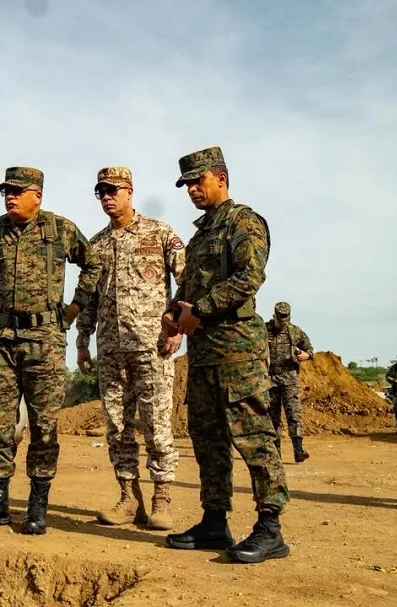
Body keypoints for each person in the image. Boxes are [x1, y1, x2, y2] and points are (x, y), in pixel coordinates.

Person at [159, 146, 289, 564]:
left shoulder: (243, 221)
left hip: (238, 351)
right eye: (186, 185)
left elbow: (250, 277)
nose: (192, 190)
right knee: (207, 438)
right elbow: (188, 288)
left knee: (254, 436)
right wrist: (174, 312)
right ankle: (214, 521)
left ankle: (270, 528)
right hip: (203, 354)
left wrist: (200, 310)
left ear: (221, 178)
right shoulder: (200, 235)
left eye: (198, 181)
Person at [0, 166, 101, 535]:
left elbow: (92, 264)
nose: (10, 197)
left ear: (37, 196)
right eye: (6, 191)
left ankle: (37, 504)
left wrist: (76, 306)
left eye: (17, 191)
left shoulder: (60, 229)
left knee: (44, 427)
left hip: (45, 341)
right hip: (4, 340)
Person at [74, 166, 185, 531]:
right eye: (101, 192)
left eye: (113, 190)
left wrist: (179, 326)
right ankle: (128, 497)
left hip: (153, 346)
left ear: (129, 191)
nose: (107, 197)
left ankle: (161, 498)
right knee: (118, 427)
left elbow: (187, 280)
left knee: (156, 425)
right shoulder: (96, 245)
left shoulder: (159, 233)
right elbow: (88, 299)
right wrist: (82, 342)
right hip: (110, 350)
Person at [265, 301, 314, 462]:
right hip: (270, 380)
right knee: (272, 418)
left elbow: (309, 350)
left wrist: (306, 355)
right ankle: (275, 454)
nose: (283, 325)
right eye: (280, 322)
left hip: (290, 380)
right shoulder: (264, 330)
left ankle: (298, 451)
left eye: (285, 322)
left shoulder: (295, 331)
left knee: (294, 414)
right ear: (274, 317)